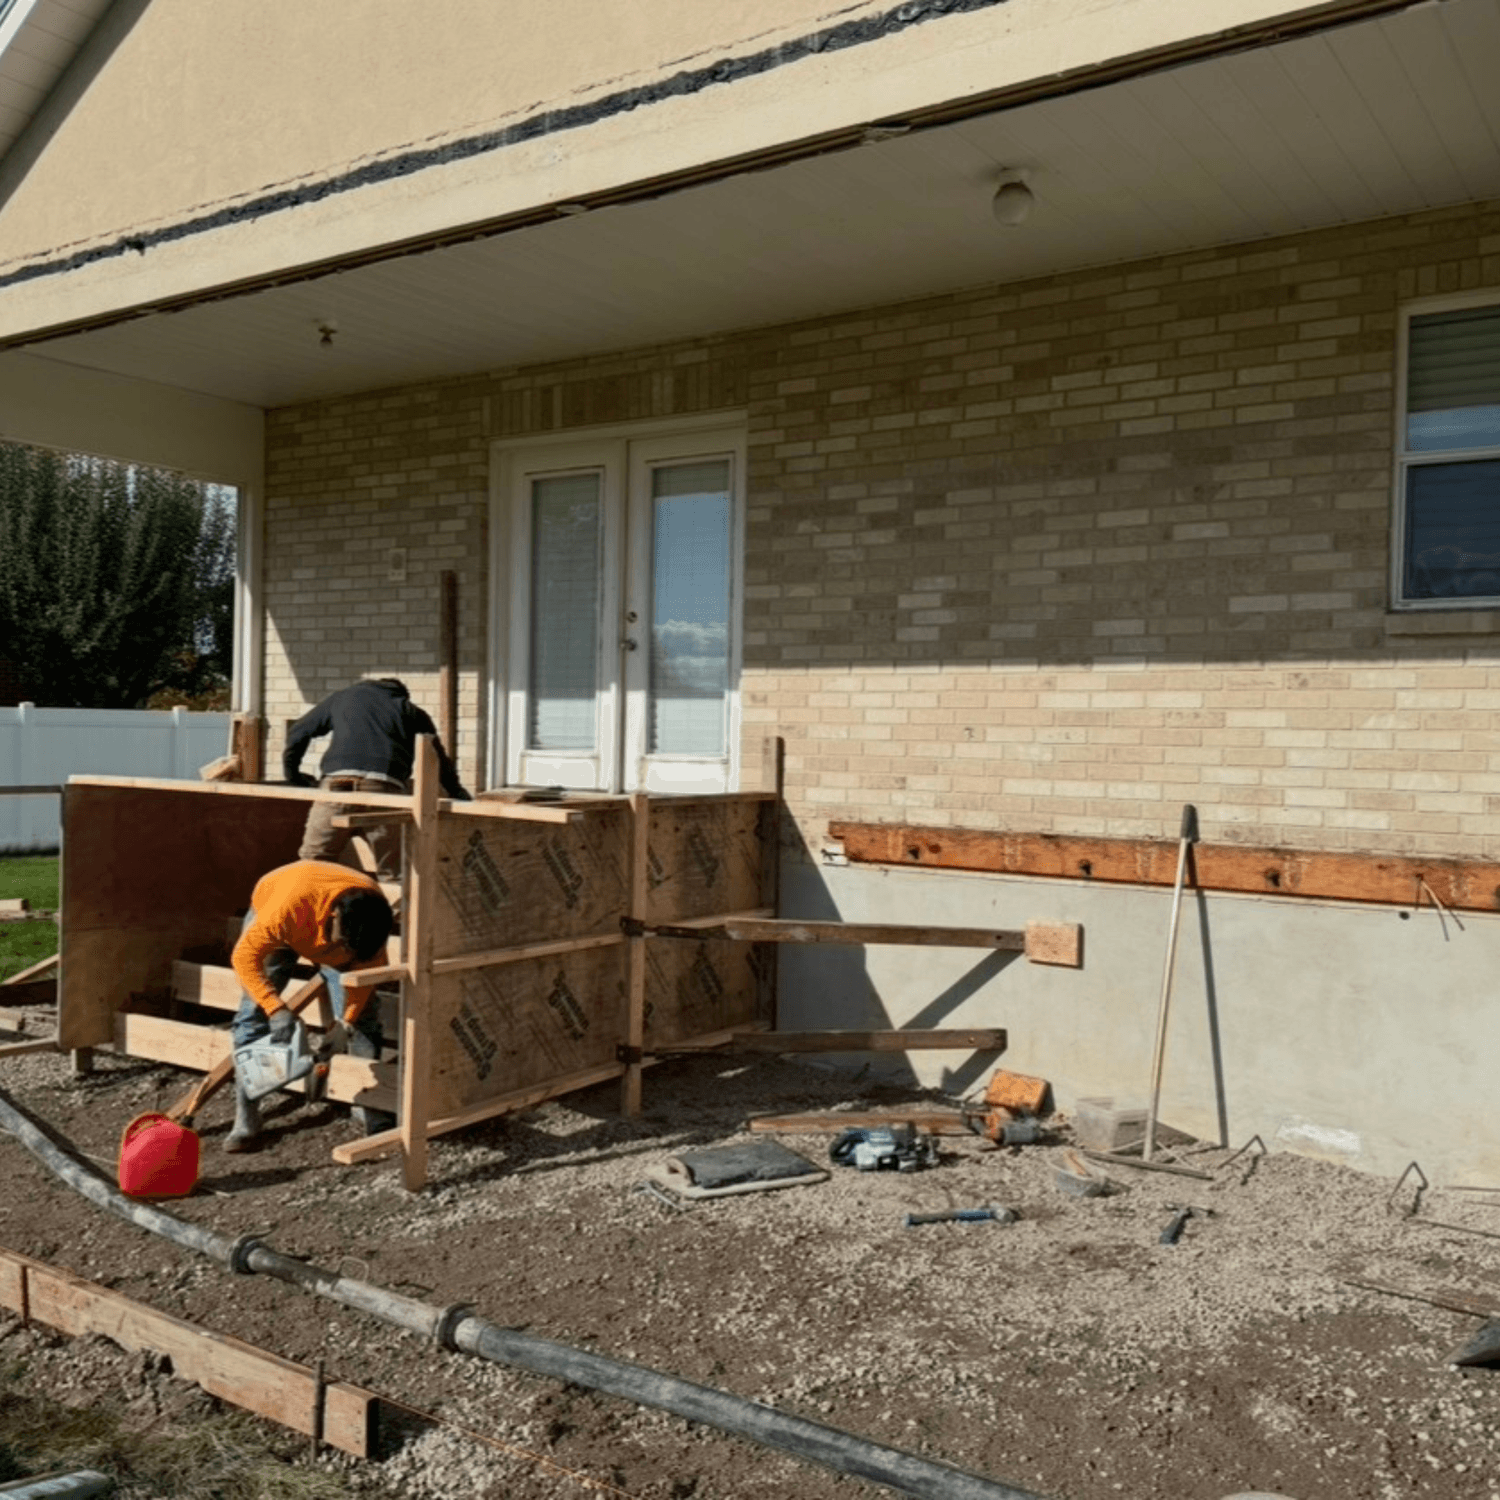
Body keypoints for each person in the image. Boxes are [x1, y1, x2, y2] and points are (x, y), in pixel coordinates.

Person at [226, 860, 395, 1152]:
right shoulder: (284, 911)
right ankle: (246, 1116)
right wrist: (275, 1008)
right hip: (286, 905)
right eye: (343, 944)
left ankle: (369, 1106)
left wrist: (346, 1023)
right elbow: (244, 959)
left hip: (327, 926)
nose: (345, 952)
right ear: (334, 917)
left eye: (351, 950)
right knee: (253, 1016)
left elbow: (364, 977)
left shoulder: (371, 923)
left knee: (364, 1020)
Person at [283, 677, 470, 880]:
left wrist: (293, 775)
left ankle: (310, 899)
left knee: (312, 863)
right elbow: (438, 759)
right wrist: (458, 793)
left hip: (337, 787)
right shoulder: (409, 710)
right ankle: (393, 900)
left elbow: (299, 730)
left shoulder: (342, 699)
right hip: (384, 790)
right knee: (393, 874)